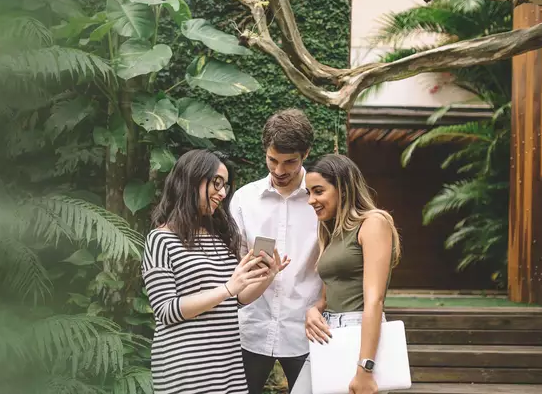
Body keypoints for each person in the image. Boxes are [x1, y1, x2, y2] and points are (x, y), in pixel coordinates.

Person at [142, 149, 290, 394]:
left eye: (226, 186)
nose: (222, 193)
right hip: (186, 369)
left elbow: (237, 300)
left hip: (228, 366)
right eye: (216, 184)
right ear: (190, 180)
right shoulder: (161, 239)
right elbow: (166, 311)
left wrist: (268, 276)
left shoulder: (220, 237)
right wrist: (227, 288)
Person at [228, 109, 321, 394]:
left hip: (308, 330)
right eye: (272, 160)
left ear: (305, 153)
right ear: (265, 151)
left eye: (290, 162)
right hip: (251, 327)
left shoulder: (323, 198)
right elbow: (234, 264)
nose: (280, 171)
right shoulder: (244, 199)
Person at [298, 154, 402, 394]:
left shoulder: (373, 223)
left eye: (318, 191)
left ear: (343, 189)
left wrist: (365, 368)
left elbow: (374, 300)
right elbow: (327, 296)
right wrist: (313, 310)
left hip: (358, 336)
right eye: (308, 193)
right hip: (328, 333)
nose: (311, 200)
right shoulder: (330, 231)